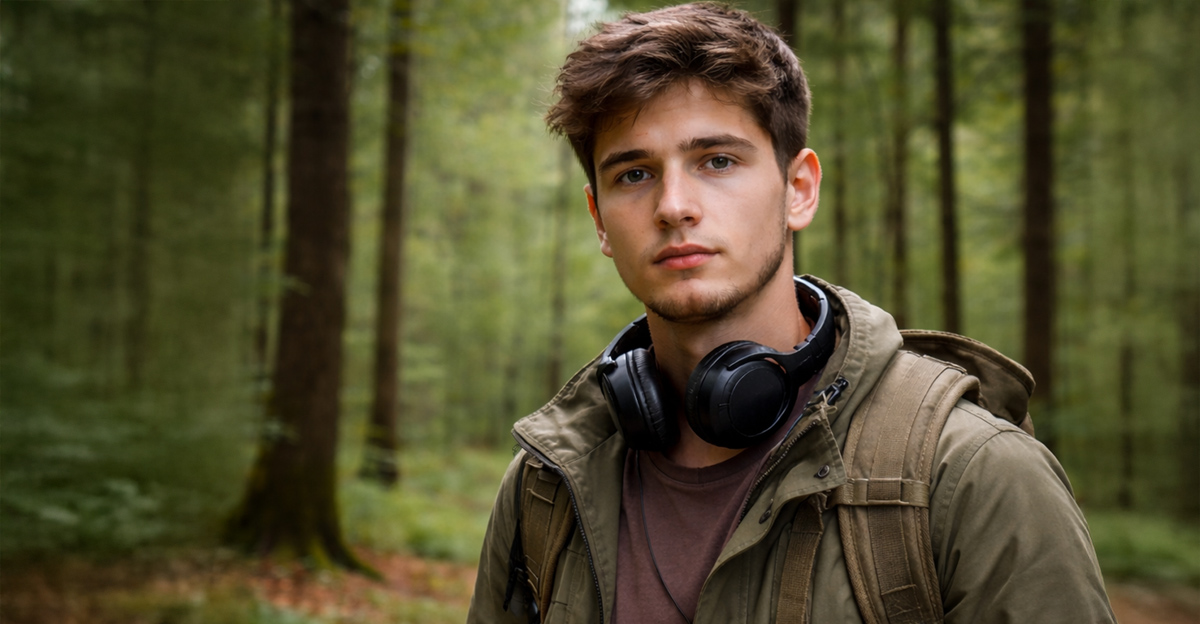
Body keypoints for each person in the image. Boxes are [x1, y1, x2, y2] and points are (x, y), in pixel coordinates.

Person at [467, 3, 1115, 623]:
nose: (674, 205)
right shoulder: (548, 485)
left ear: (798, 190)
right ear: (599, 221)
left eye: (716, 161)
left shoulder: (971, 474)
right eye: (633, 174)